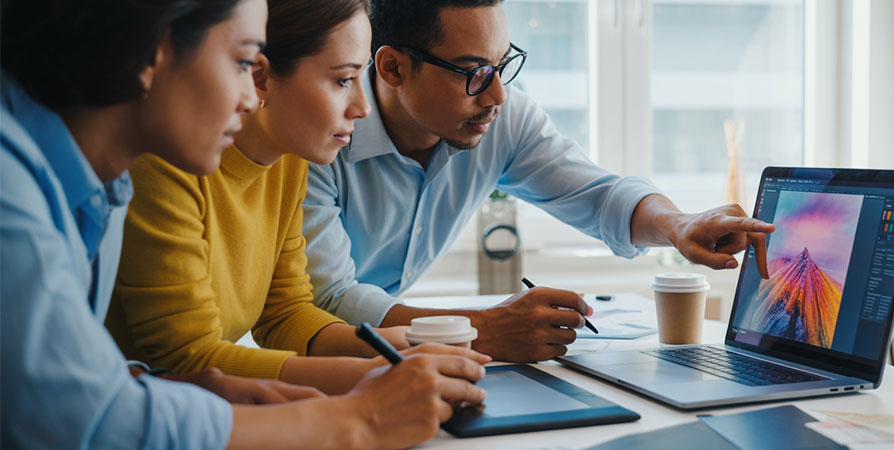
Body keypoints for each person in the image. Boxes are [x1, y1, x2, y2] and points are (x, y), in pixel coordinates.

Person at [0, 0, 486, 448]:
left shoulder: (99, 187)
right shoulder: (18, 185)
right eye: (243, 63)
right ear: (153, 50)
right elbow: (88, 419)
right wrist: (360, 418)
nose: (253, 97)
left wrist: (160, 385)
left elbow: (59, 379)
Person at [302, 0, 775, 363]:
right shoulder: (318, 134)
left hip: (395, 354)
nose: (498, 94)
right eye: (474, 73)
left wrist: (678, 223)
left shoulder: (497, 119)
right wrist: (482, 329)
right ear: (392, 68)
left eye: (504, 65)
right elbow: (328, 299)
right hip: (307, 359)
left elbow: (596, 194)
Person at [106, 0, 436, 395]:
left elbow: (285, 311)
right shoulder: (166, 160)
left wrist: (398, 347)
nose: (363, 108)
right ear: (261, 77)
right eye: (343, 80)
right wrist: (370, 379)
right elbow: (184, 358)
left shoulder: (288, 160)